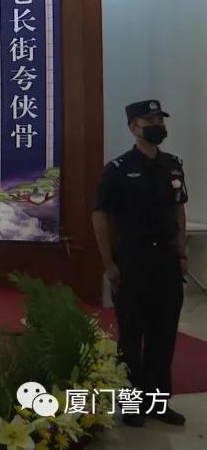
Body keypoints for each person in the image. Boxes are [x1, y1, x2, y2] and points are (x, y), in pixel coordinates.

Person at [92, 99, 187, 428]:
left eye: (160, 119)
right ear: (134, 127)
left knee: (164, 335)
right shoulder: (118, 169)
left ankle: (158, 403)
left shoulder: (172, 165)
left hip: (166, 262)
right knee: (132, 336)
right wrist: (108, 262)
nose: (158, 125)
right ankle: (131, 405)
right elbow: (100, 216)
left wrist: (181, 253)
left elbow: (179, 209)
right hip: (133, 260)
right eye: (151, 120)